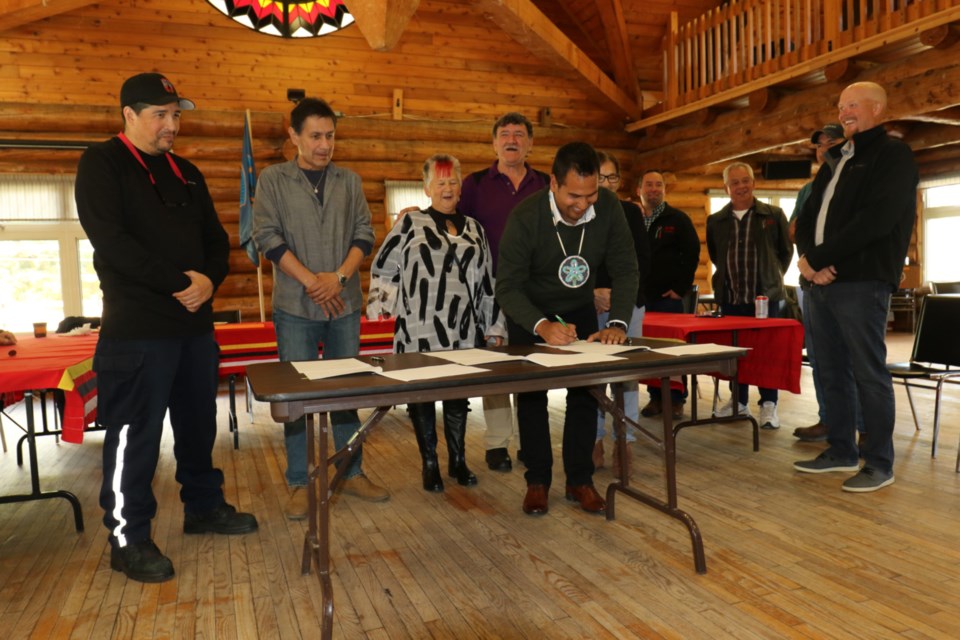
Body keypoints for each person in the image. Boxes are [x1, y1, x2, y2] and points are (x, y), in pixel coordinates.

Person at [75, 72, 258, 584]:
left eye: (176, 114)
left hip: (195, 329)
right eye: (160, 114)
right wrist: (181, 282)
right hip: (137, 330)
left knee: (200, 424)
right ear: (129, 115)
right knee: (135, 434)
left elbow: (217, 242)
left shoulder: (188, 172)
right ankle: (128, 538)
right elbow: (111, 242)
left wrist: (207, 281)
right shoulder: (102, 164)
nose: (171, 125)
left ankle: (203, 506)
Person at [253, 97, 388, 519]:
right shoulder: (272, 180)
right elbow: (268, 238)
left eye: (330, 136)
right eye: (315, 136)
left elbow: (364, 234)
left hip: (343, 305)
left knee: (348, 389)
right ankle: (300, 480)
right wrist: (314, 282)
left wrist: (339, 279)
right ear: (293, 136)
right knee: (297, 397)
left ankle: (351, 471)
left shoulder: (349, 181)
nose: (324, 145)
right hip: (295, 306)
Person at [496, 142, 639, 516]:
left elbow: (625, 267)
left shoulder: (606, 207)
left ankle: (580, 480)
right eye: (574, 195)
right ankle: (538, 480)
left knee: (585, 394)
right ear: (554, 184)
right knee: (531, 398)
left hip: (580, 309)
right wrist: (541, 325)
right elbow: (507, 286)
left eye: (591, 194)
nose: (584, 204)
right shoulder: (525, 216)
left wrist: (619, 323)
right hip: (531, 313)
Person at [794, 81, 917, 492]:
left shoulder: (892, 154)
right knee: (829, 370)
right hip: (821, 282)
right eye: (841, 105)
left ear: (878, 109)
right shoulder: (836, 161)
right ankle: (841, 449)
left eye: (853, 105)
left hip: (862, 281)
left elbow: (877, 220)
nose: (844, 111)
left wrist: (825, 259)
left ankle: (879, 462)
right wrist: (810, 262)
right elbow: (808, 218)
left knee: (867, 372)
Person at [368, 154, 506, 492]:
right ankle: (429, 463)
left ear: (460, 187)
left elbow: (488, 281)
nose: (447, 188)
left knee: (458, 396)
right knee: (423, 396)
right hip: (420, 330)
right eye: (440, 182)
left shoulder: (475, 229)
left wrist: (494, 326)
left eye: (453, 181)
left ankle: (457, 461)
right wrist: (384, 308)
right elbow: (384, 267)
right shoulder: (410, 224)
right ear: (428, 187)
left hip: (464, 330)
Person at [459, 112, 550, 473]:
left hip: (535, 293)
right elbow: (452, 222)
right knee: (496, 369)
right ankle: (497, 444)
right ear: (493, 142)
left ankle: (532, 442)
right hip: (489, 293)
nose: (511, 140)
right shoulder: (475, 184)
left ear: (530, 143)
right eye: (504, 134)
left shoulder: (546, 183)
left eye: (519, 134)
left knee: (531, 369)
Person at [707, 162, 793, 428]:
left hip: (766, 299)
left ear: (753, 183)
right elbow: (715, 255)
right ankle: (738, 402)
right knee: (735, 353)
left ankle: (769, 404)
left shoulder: (774, 214)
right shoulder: (716, 221)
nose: (741, 186)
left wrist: (770, 279)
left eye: (746, 181)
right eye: (735, 183)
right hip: (732, 299)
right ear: (726, 187)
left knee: (768, 352)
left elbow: (785, 253)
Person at [789, 124, 850, 442]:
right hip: (812, 282)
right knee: (821, 357)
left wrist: (830, 264)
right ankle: (829, 419)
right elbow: (796, 229)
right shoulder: (808, 189)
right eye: (819, 145)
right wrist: (811, 265)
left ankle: (865, 427)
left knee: (853, 359)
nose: (824, 149)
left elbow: (858, 231)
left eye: (833, 142)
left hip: (849, 282)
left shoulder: (858, 179)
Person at [591, 151, 650, 477]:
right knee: (595, 378)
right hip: (591, 306)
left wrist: (621, 298)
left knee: (627, 379)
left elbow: (641, 261)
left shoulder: (631, 212)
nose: (606, 183)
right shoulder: (579, 212)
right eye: (599, 177)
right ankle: (595, 439)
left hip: (628, 307)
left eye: (611, 177)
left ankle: (624, 441)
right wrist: (593, 295)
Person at [635, 169, 701, 420]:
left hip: (668, 299)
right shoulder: (633, 218)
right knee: (650, 351)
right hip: (641, 298)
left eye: (658, 185)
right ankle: (655, 398)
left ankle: (675, 399)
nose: (654, 189)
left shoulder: (678, 219)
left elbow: (692, 253)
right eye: (649, 184)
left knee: (673, 351)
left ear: (664, 190)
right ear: (639, 190)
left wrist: (681, 288)